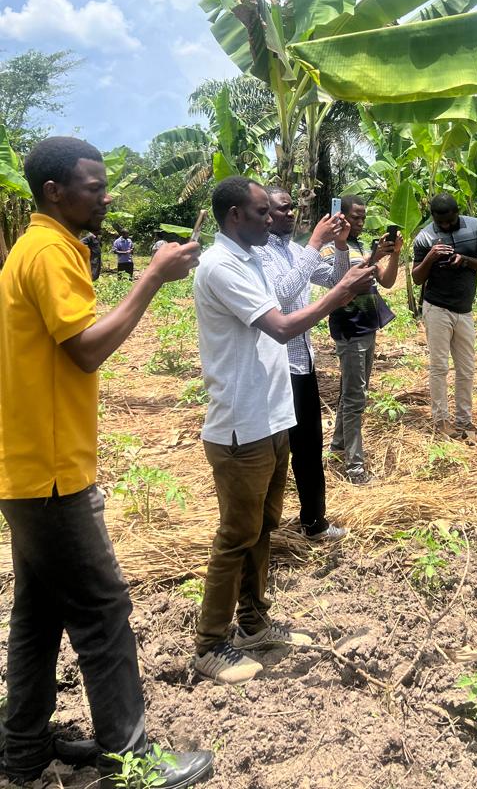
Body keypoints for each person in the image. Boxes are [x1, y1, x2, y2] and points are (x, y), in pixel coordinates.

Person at [0, 136, 211, 788]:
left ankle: (24, 748)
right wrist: (151, 277)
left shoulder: (40, 249)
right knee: (101, 610)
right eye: (94, 186)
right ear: (55, 193)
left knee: (38, 612)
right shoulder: (50, 253)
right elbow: (86, 350)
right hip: (52, 472)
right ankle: (133, 761)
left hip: (28, 464)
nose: (106, 193)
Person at [192, 177, 374, 685]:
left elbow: (293, 294)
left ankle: (253, 623)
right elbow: (281, 325)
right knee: (235, 535)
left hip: (272, 417)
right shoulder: (221, 266)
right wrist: (338, 294)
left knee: (262, 528)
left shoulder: (250, 258)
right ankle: (210, 643)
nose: (271, 220)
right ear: (234, 216)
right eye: (260, 213)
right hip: (241, 424)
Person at [257, 188, 351, 541]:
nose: (290, 213)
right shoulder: (260, 255)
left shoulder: (295, 251)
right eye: (284, 209)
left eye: (292, 208)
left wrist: (340, 246)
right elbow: (281, 294)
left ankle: (315, 522)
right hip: (274, 369)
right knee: (274, 454)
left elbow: (336, 280)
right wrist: (314, 244)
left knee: (310, 447)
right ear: (266, 213)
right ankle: (264, 528)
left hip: (302, 363)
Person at [321, 194, 402, 484]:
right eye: (355, 217)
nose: (360, 222)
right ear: (340, 217)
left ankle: (337, 447)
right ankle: (355, 468)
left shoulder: (361, 245)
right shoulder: (332, 248)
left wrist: (392, 255)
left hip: (368, 324)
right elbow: (343, 282)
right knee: (355, 397)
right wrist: (374, 257)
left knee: (352, 392)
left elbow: (387, 281)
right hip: (350, 327)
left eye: (363, 217)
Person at [412, 192, 477, 440]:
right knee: (439, 367)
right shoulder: (425, 236)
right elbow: (417, 279)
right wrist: (431, 256)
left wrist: (466, 261)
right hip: (437, 308)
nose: (446, 226)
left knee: (466, 368)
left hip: (464, 310)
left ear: (457, 212)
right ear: (434, 217)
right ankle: (441, 423)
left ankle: (464, 421)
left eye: (450, 220)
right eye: (441, 222)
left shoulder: (475, 226)